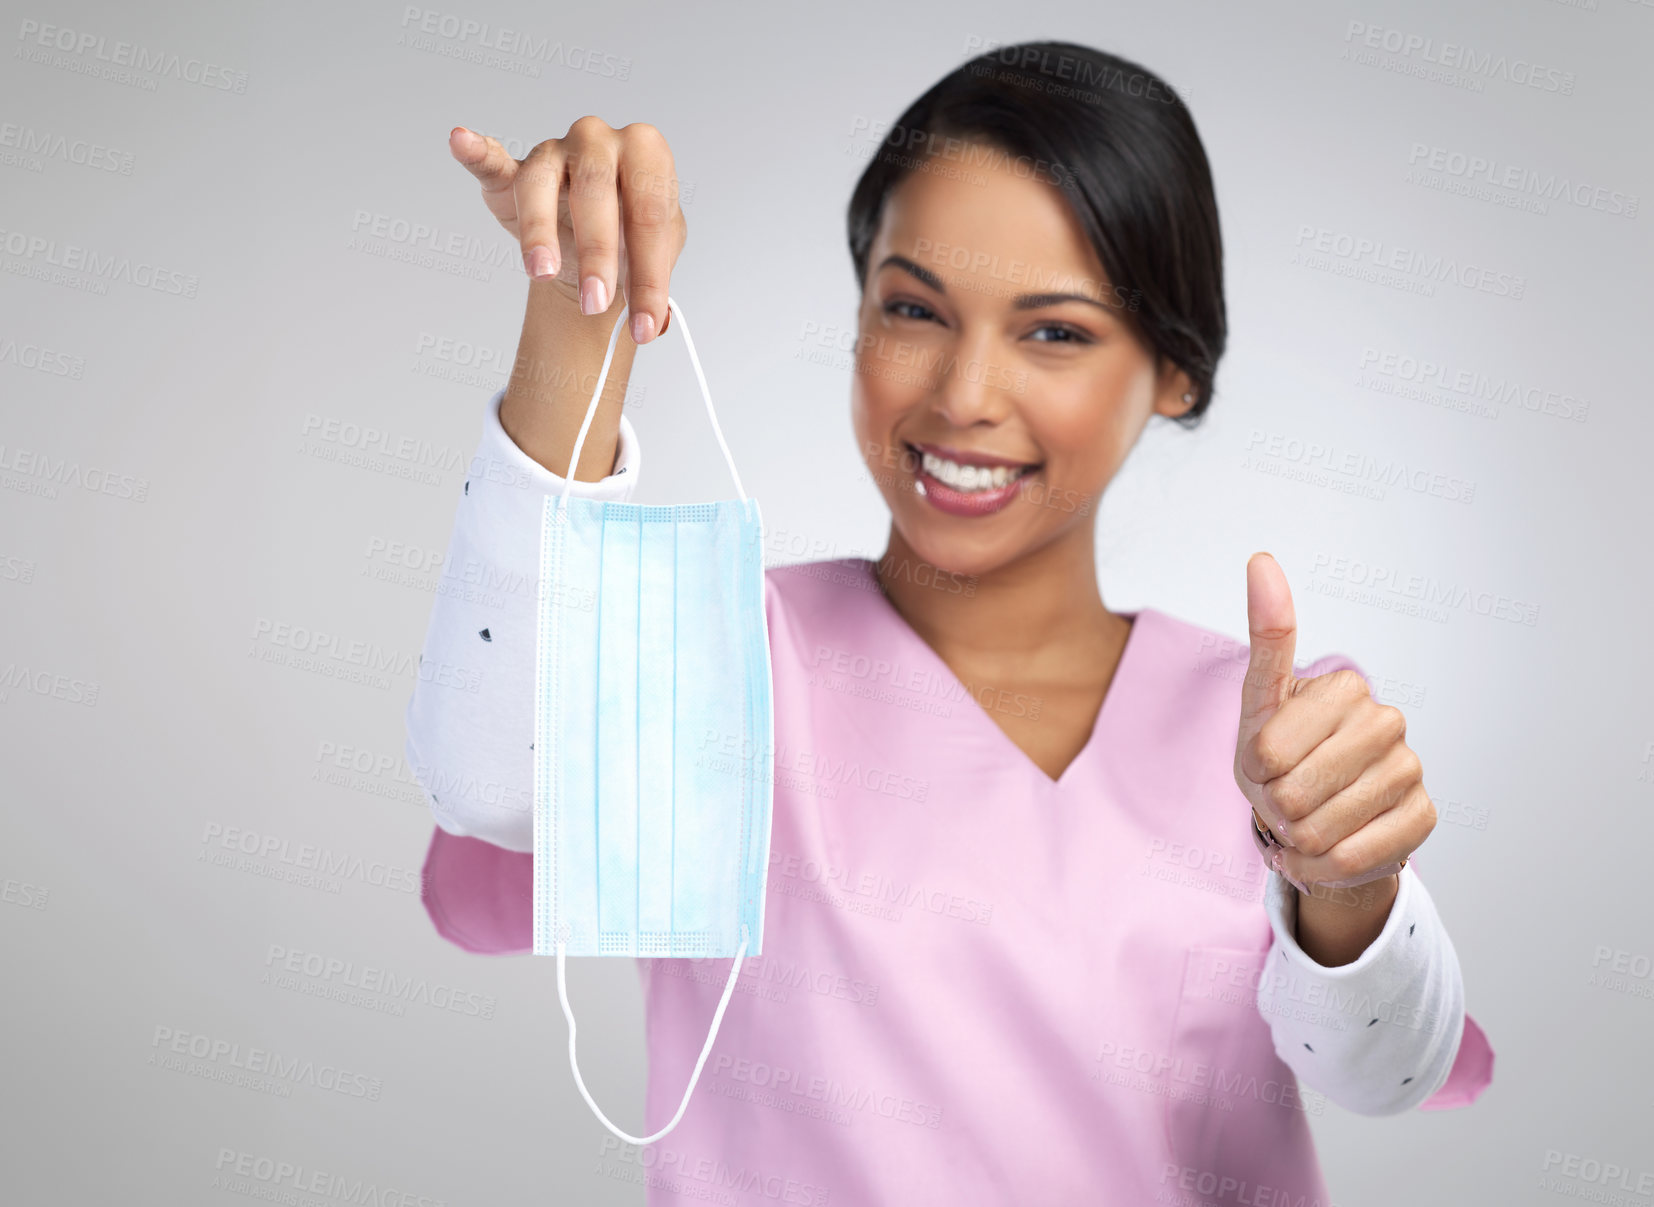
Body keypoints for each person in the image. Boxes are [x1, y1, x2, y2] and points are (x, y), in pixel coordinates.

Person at [403, 40, 1494, 1205]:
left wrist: (1345, 890)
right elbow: (494, 781)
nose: (964, 396)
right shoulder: (720, 669)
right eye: (914, 307)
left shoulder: (1278, 738)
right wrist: (581, 310)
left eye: (1055, 331)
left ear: (1174, 367)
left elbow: (1382, 1068)